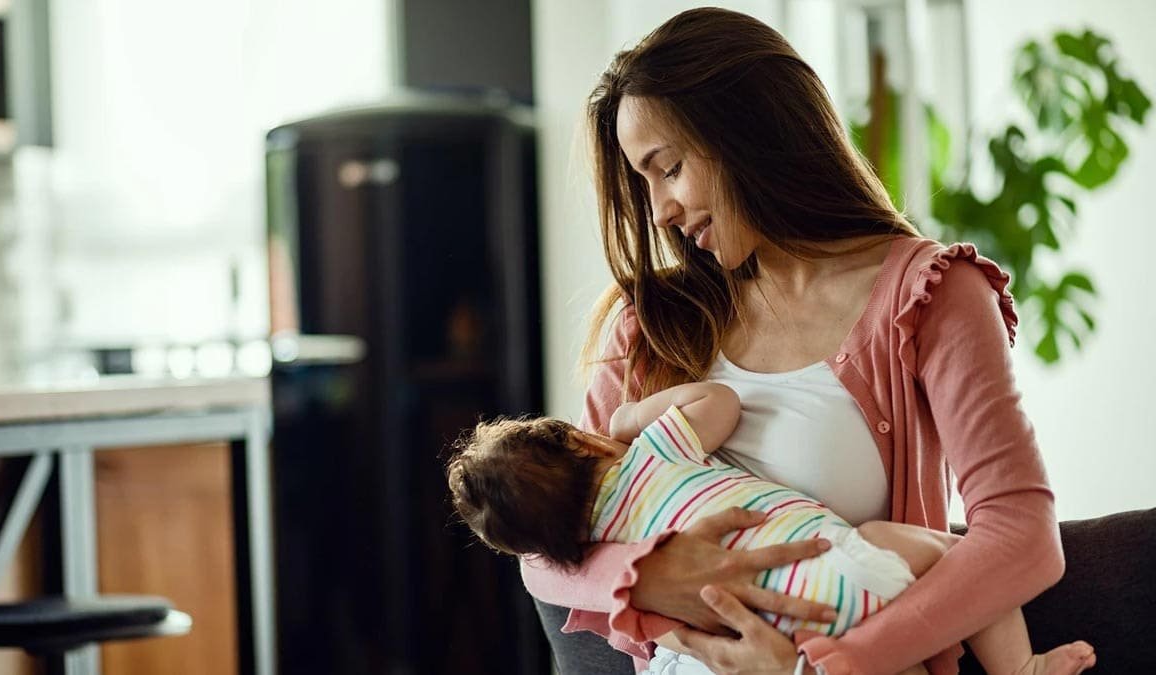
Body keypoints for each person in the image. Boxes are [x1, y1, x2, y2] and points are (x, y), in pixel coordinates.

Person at [522, 7, 1071, 675]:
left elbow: (1021, 534)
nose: (659, 209)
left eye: (667, 168)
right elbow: (543, 551)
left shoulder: (930, 297)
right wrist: (650, 574)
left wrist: (819, 666)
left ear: (746, 130)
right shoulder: (651, 323)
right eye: (643, 183)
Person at [447, 382, 1095, 675]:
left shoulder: (603, 555)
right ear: (585, 444)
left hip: (743, 637)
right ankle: (1022, 668)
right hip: (835, 568)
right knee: (950, 553)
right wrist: (634, 413)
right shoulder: (651, 451)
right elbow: (720, 404)